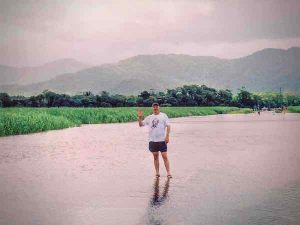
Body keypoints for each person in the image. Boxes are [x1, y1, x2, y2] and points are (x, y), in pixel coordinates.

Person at [137, 103, 172, 178]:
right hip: (152, 140)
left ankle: (168, 173)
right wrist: (139, 117)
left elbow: (168, 126)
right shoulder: (149, 117)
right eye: (154, 107)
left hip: (162, 140)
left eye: (157, 106)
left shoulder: (163, 115)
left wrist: (167, 136)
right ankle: (157, 173)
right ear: (152, 108)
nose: (155, 108)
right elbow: (141, 124)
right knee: (155, 156)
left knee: (164, 155)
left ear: (159, 107)